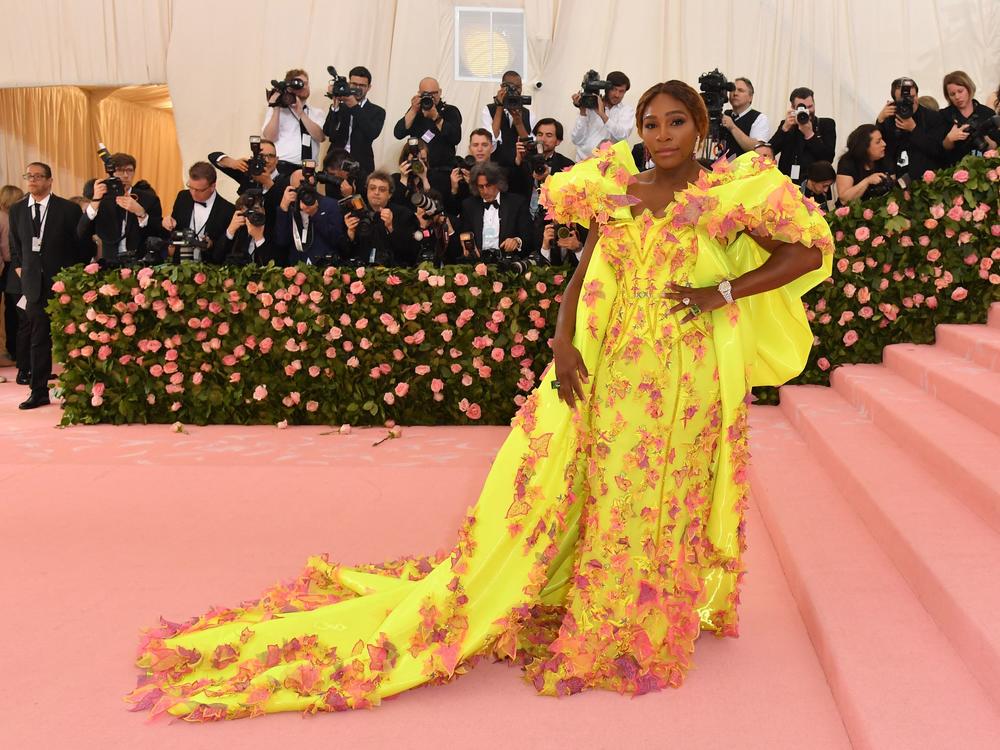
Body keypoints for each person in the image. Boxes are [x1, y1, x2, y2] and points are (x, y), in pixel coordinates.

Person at [125, 80, 832, 720]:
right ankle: (606, 608)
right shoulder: (613, 183)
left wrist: (722, 292)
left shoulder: (730, 191)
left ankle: (650, 614)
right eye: (650, 123)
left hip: (686, 371)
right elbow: (587, 266)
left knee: (665, 488)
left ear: (700, 124)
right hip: (613, 362)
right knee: (612, 484)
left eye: (677, 121)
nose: (662, 134)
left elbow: (804, 253)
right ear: (637, 132)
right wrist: (562, 338)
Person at [8, 163, 85, 409]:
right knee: (37, 339)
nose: (33, 181)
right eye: (29, 176)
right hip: (32, 285)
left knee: (71, 338)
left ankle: (74, 391)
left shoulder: (68, 209)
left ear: (50, 180)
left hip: (62, 282)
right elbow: (15, 246)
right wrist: (22, 271)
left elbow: (80, 245)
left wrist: (73, 277)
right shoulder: (18, 209)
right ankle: (38, 391)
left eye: (38, 176)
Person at [77, 152, 161, 266]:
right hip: (109, 263)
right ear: (111, 173)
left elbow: (159, 233)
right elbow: (82, 231)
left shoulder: (149, 199)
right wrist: (95, 201)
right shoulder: (102, 198)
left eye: (130, 170)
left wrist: (141, 213)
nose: (126, 175)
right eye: (120, 170)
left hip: (141, 263)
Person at [209, 140, 289, 244]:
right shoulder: (248, 173)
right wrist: (232, 163)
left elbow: (282, 205)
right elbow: (213, 157)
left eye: (271, 156)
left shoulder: (285, 180)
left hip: (273, 238)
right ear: (254, 158)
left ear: (277, 160)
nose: (266, 160)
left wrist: (268, 182)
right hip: (245, 236)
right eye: (261, 156)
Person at [458, 160, 534, 262]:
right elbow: (465, 234)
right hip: (477, 265)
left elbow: (528, 237)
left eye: (488, 185)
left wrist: (517, 241)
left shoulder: (516, 203)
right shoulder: (469, 205)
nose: (485, 191)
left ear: (498, 183)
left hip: (508, 264)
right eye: (481, 187)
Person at [161, 162, 235, 263]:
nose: (193, 193)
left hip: (210, 268)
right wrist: (168, 223)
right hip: (179, 266)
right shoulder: (183, 197)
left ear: (212, 186)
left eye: (199, 190)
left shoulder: (227, 209)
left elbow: (226, 247)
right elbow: (174, 231)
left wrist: (210, 243)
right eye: (190, 187)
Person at [876, 77, 946, 181]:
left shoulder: (933, 117)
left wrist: (914, 129)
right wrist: (880, 121)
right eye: (902, 98)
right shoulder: (889, 119)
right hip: (898, 182)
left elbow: (938, 150)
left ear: (917, 95)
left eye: (912, 97)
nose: (909, 101)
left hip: (927, 181)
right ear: (894, 100)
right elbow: (881, 150)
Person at [322, 66, 386, 179]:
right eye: (354, 84)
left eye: (362, 85)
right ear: (348, 84)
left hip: (361, 167)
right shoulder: (341, 107)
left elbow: (372, 133)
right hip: (335, 165)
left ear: (369, 87)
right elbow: (329, 132)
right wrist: (335, 105)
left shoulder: (377, 111)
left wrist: (354, 106)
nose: (357, 88)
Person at [343, 171, 417, 266]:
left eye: (382, 190)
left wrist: (390, 227)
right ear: (367, 191)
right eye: (372, 188)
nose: (376, 192)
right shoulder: (355, 214)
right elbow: (345, 254)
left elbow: (409, 252)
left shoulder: (404, 214)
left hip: (394, 270)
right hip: (362, 270)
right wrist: (350, 235)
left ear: (389, 194)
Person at [262, 69, 327, 175]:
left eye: (306, 83)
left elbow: (321, 137)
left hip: (308, 169)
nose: (304, 86)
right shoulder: (277, 110)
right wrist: (276, 107)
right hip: (282, 167)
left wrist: (301, 113)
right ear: (290, 87)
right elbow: (269, 137)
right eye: (300, 84)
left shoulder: (317, 112)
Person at [274, 170, 346, 266]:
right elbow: (281, 241)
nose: (304, 194)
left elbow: (336, 240)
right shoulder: (289, 208)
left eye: (307, 188)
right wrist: (283, 208)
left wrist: (315, 214)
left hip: (326, 267)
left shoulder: (330, 205)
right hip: (297, 270)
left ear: (314, 185)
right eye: (299, 189)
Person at [768, 87, 836, 183]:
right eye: (802, 108)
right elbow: (768, 153)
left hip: (815, 185)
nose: (807, 112)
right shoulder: (787, 124)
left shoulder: (826, 124)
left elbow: (828, 158)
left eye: (810, 107)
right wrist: (784, 129)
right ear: (793, 108)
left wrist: (810, 135)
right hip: (787, 184)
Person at [392, 77, 463, 169]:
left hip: (443, 169)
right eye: (426, 94)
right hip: (419, 168)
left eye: (434, 93)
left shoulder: (450, 111)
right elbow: (398, 133)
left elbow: (455, 138)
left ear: (440, 92)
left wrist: (436, 117)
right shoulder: (416, 111)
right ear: (419, 94)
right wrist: (413, 110)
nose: (431, 97)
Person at [570, 70, 633, 161]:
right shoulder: (589, 104)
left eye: (621, 91)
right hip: (583, 164)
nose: (617, 95)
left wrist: (603, 115)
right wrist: (582, 112)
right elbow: (576, 140)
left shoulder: (626, 110)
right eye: (614, 89)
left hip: (610, 167)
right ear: (606, 87)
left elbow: (622, 136)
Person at [940, 70, 999, 165]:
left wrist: (982, 135)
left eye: (960, 91)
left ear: (969, 89)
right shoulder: (944, 115)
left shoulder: (987, 113)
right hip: (954, 170)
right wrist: (950, 139)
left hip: (985, 168)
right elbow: (941, 148)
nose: (957, 97)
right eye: (952, 94)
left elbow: (995, 148)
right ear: (948, 96)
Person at [481, 70, 533, 167]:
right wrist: (499, 106)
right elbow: (491, 141)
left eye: (518, 87)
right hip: (496, 169)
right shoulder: (488, 109)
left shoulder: (528, 113)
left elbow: (529, 146)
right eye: (511, 87)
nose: (515, 91)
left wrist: (518, 122)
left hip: (521, 171)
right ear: (502, 87)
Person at [0, 184, 25, 375]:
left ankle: (11, 350)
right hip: (9, 269)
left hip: (8, 269)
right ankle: (15, 352)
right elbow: (8, 252)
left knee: (11, 313)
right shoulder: (7, 218)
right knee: (16, 314)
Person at [836, 124, 894, 203]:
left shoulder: (885, 158)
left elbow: (892, 188)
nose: (884, 144)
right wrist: (867, 181)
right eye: (878, 142)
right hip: (851, 210)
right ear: (864, 147)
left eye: (882, 140)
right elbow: (844, 199)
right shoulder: (847, 162)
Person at [719, 77, 770, 157]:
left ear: (750, 97)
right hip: (720, 168)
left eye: (740, 90)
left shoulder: (759, 118)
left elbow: (757, 150)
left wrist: (732, 127)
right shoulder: (725, 115)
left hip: (745, 169)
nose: (735, 93)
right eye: (732, 90)